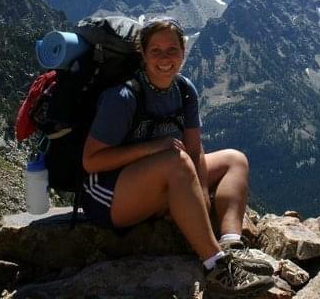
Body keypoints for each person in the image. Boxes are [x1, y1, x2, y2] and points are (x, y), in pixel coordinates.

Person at [80, 17, 273, 296]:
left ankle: (231, 245)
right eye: (155, 51)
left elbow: (194, 150)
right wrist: (153, 148)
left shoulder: (184, 90)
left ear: (183, 51)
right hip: (107, 195)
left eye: (172, 50)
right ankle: (217, 267)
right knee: (175, 159)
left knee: (235, 159)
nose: (164, 58)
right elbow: (91, 161)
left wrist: (202, 196)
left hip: (154, 182)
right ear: (143, 55)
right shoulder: (123, 96)